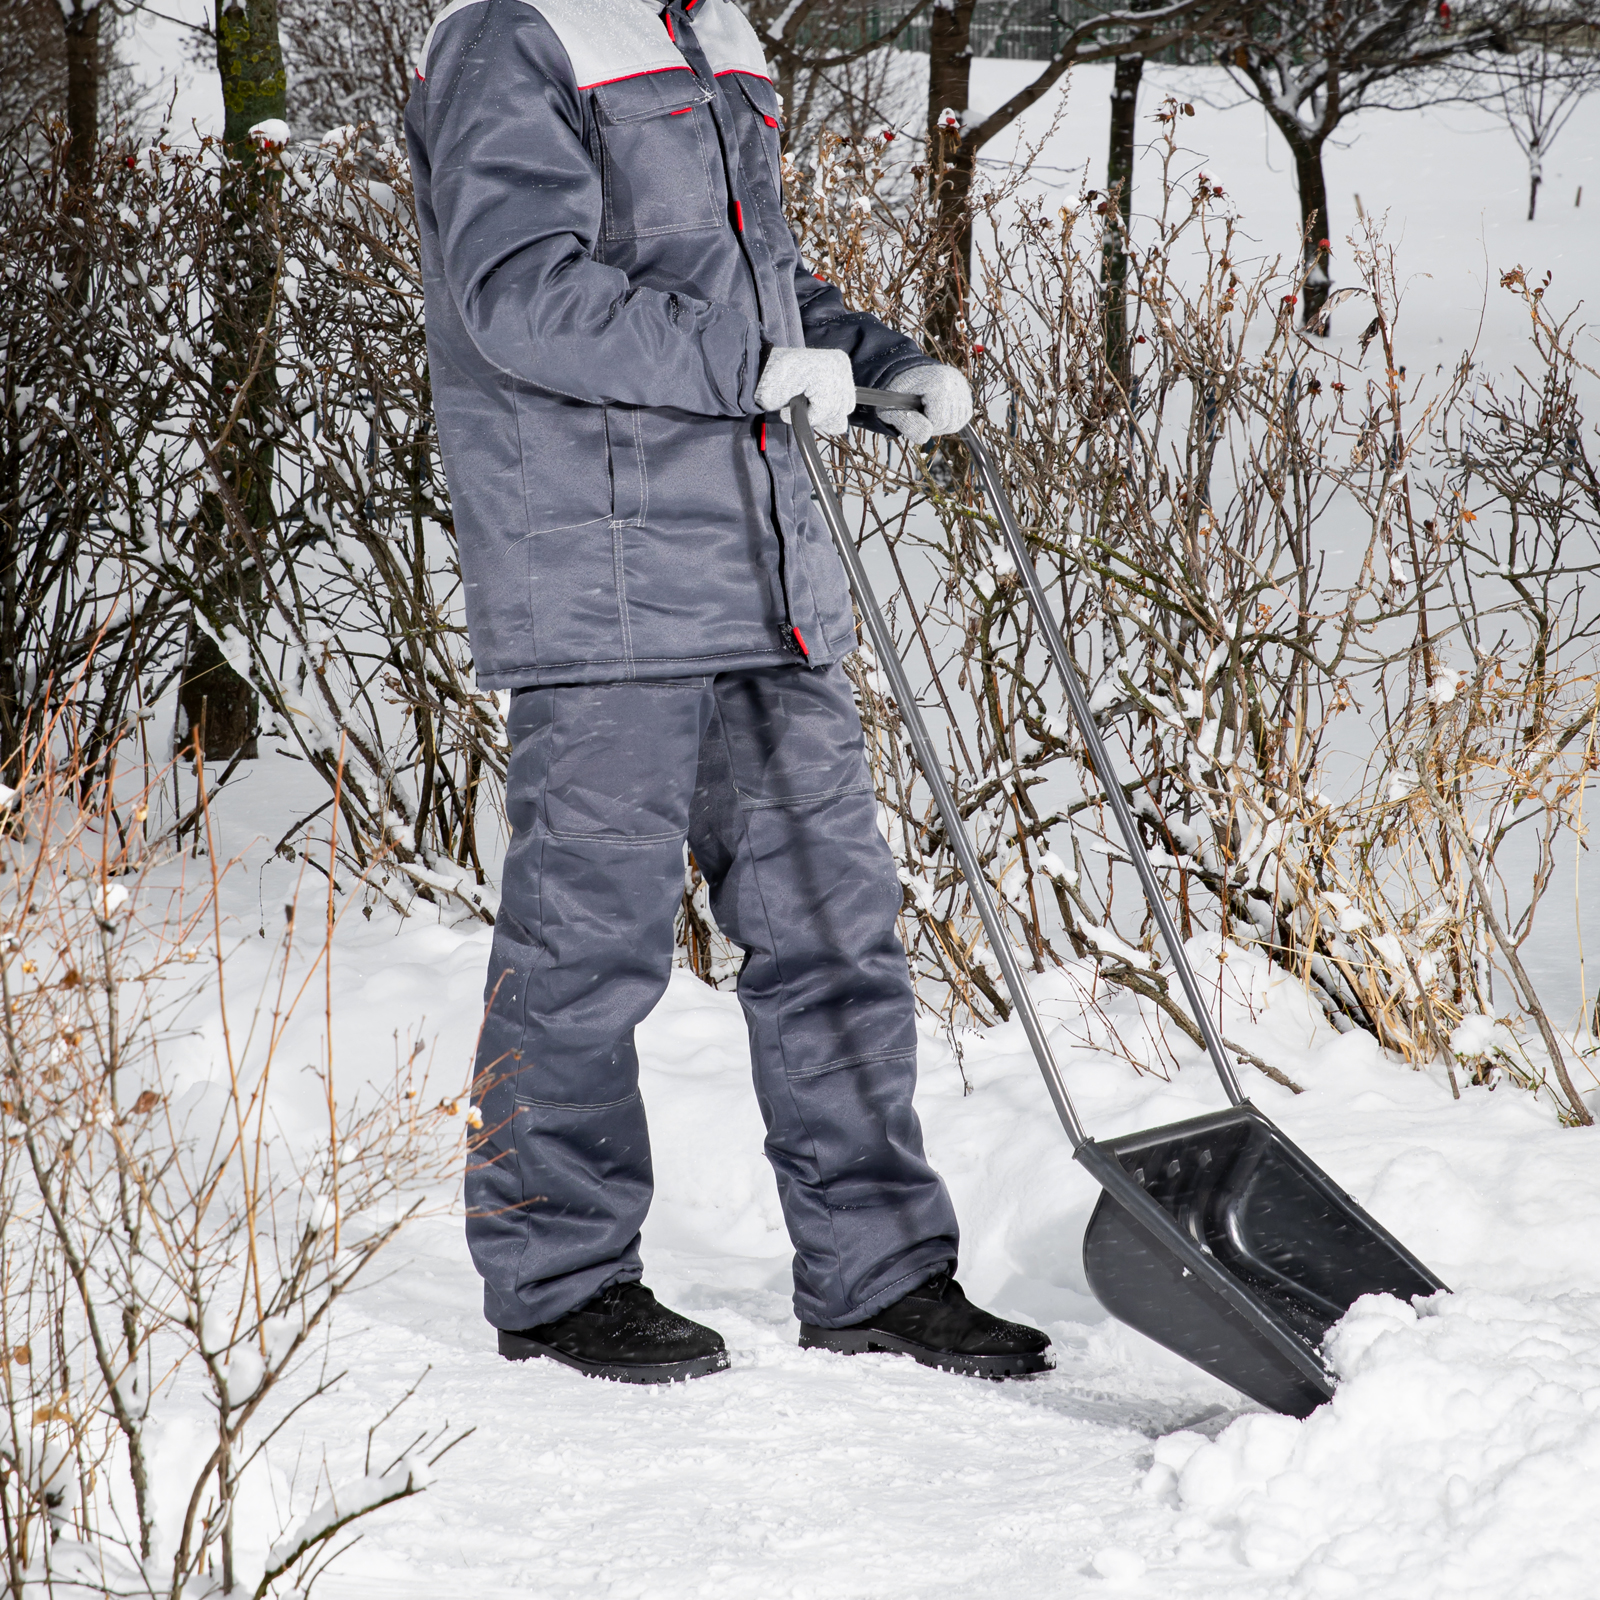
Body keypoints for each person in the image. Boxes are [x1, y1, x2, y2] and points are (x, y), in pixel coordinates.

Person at [405, 0, 1052, 1384]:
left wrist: (872, 367)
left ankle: (881, 1272)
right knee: (589, 948)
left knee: (838, 930)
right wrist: (751, 368)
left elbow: (752, 295)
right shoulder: (518, 33)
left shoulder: (722, 38)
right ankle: (559, 1279)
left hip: (770, 575)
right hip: (605, 577)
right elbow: (517, 288)